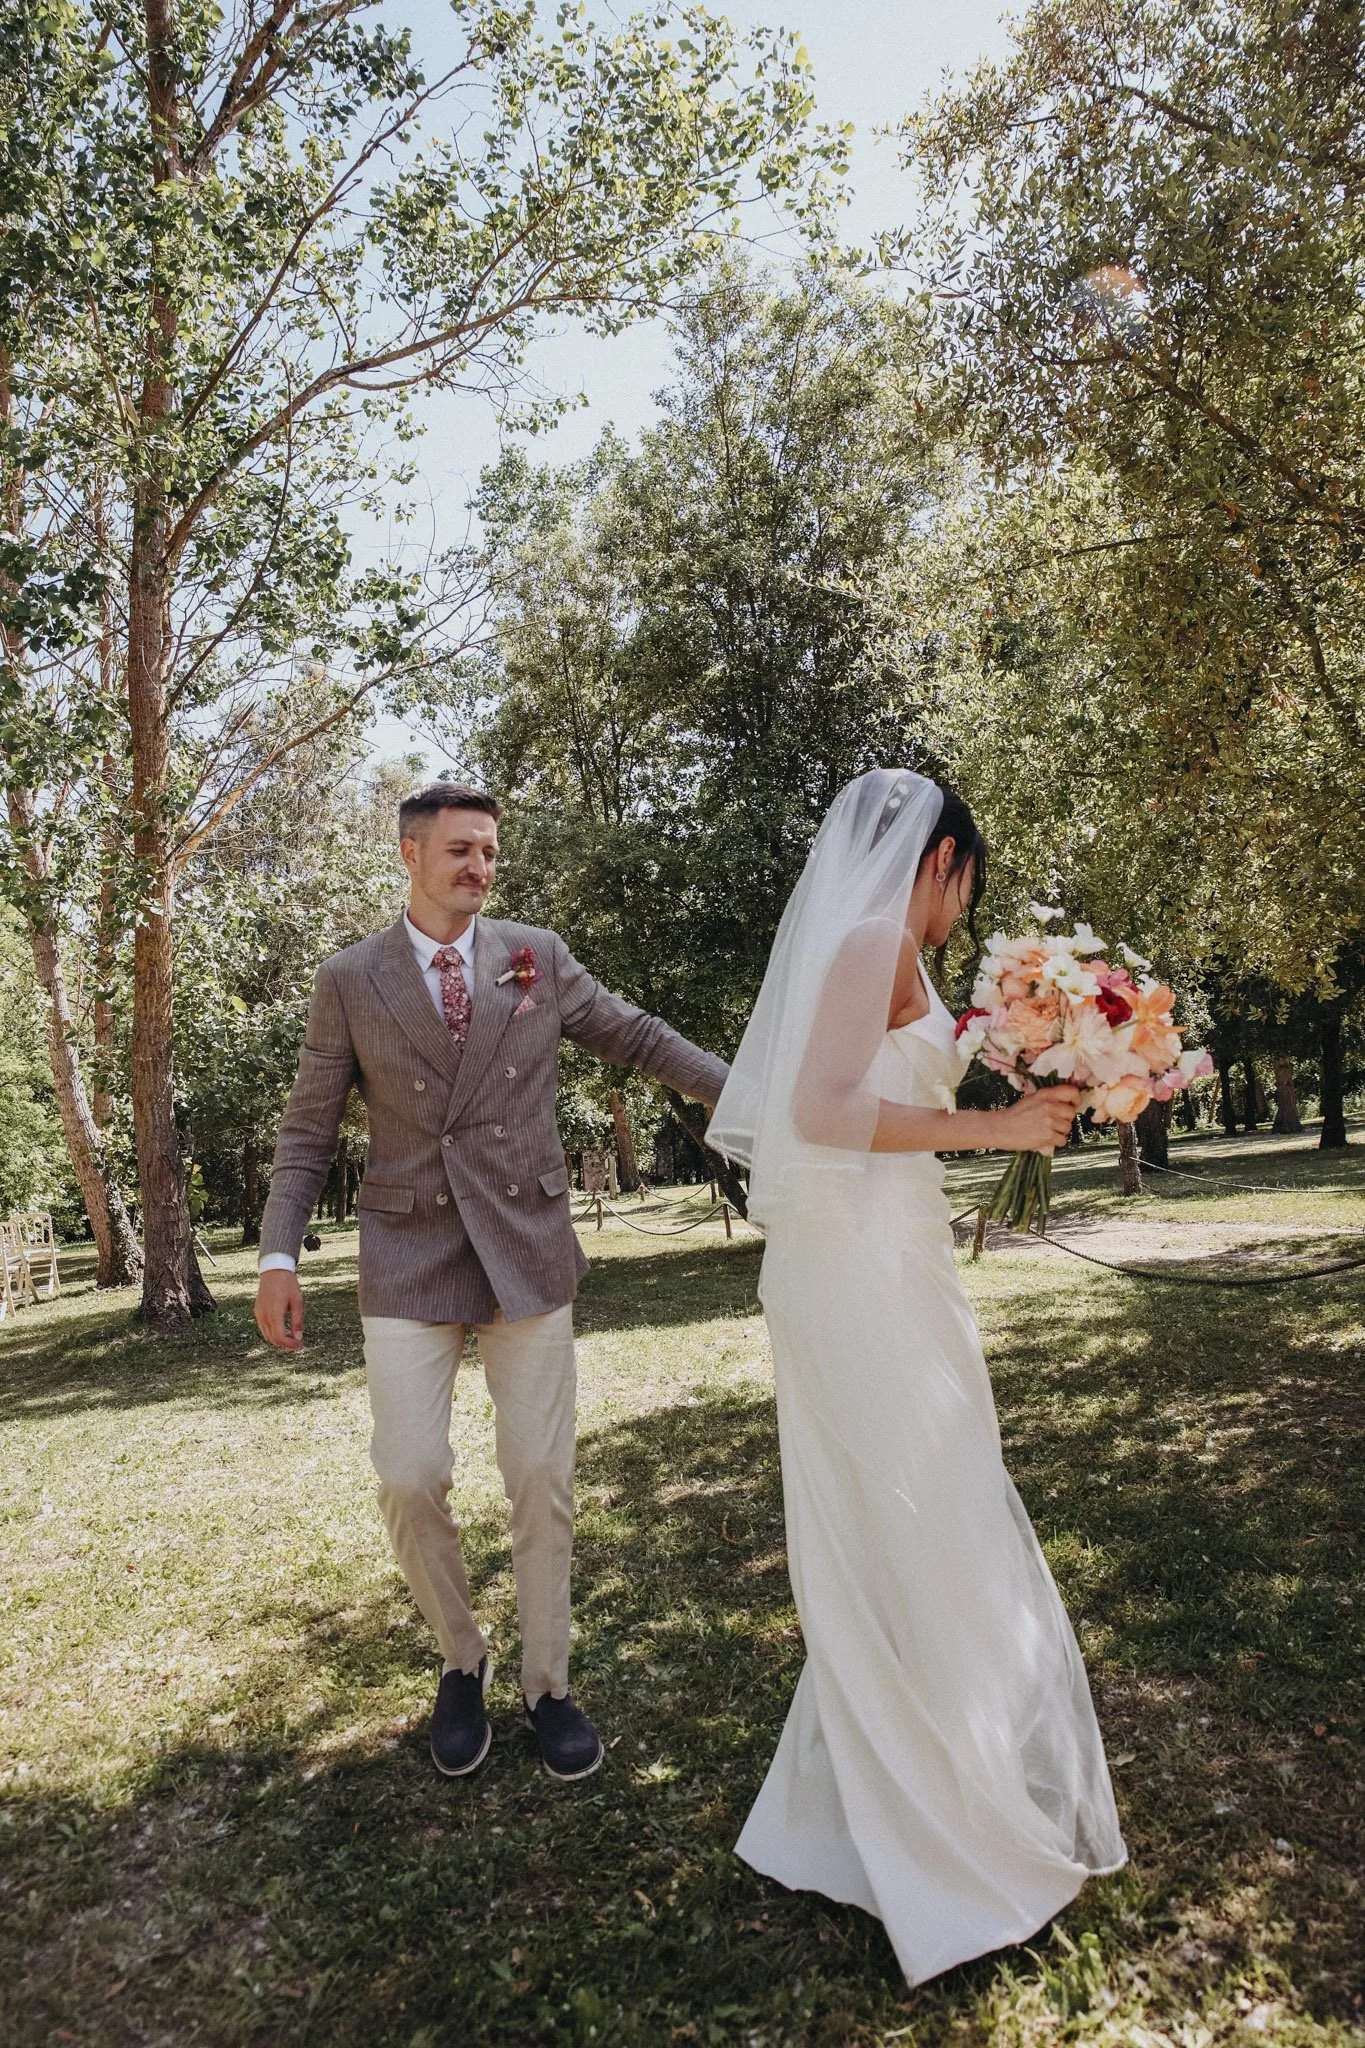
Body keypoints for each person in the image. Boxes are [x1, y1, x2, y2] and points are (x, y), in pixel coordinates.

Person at [707, 769, 1126, 1987]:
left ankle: (873, 1798)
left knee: (923, 1511)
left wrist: (1038, 1067)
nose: (957, 917)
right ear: (938, 860)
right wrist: (997, 1131)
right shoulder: (868, 937)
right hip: (856, 1265)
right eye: (966, 889)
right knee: (915, 1517)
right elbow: (826, 1109)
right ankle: (941, 1826)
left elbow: (890, 1082)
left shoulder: (889, 947)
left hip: (892, 1252)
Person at [254, 783, 727, 1782]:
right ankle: (461, 1656)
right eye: (461, 849)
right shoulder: (349, 978)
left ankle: (548, 1682)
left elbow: (635, 1036)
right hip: (408, 1249)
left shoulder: (537, 954)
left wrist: (745, 1084)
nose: (479, 866)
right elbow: (306, 1128)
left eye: (490, 852)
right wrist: (278, 1252)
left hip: (527, 1242)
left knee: (540, 1475)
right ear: (410, 854)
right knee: (408, 1470)